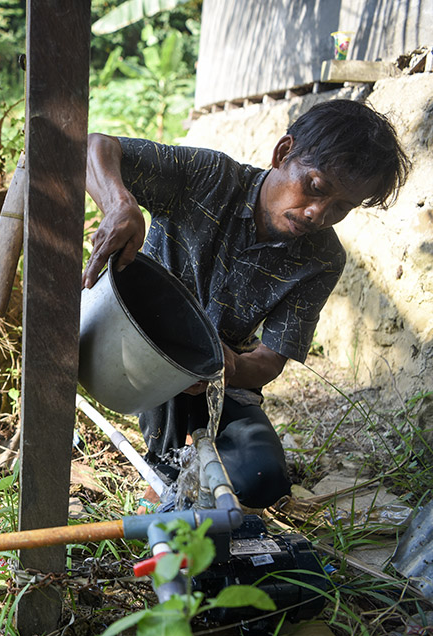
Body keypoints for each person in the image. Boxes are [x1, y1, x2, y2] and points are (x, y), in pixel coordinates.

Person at [82, 99, 410, 509]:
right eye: (316, 187)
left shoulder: (323, 259)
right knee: (173, 455)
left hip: (215, 376)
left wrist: (230, 365)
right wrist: (119, 203)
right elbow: (96, 146)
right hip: (136, 338)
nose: (317, 213)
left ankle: (186, 471)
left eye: (342, 207)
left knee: (263, 479)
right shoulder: (209, 177)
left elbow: (270, 361)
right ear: (283, 152)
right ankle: (166, 478)